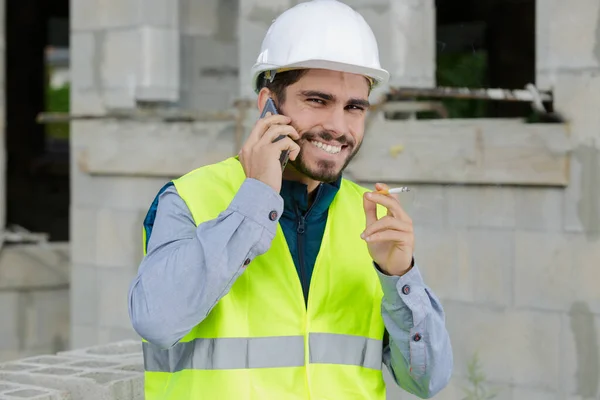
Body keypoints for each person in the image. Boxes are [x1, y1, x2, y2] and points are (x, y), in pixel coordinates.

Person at [128, 1, 453, 399]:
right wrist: (256, 203)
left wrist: (400, 277)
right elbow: (157, 321)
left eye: (354, 107)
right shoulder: (190, 199)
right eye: (317, 100)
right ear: (268, 103)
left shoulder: (367, 215)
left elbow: (427, 381)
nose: (337, 126)